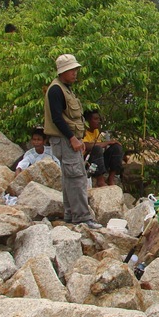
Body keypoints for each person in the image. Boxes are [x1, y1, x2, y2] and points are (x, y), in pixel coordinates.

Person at [43, 54, 101, 229]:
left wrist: (77, 138)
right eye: (72, 70)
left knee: (70, 177)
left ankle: (70, 214)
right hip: (64, 140)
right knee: (76, 177)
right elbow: (57, 119)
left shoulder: (65, 88)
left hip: (69, 140)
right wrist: (72, 138)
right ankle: (83, 218)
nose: (75, 73)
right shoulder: (56, 90)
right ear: (63, 71)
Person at [83, 109, 124, 187]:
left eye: (99, 119)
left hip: (98, 163)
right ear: (87, 121)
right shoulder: (83, 132)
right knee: (97, 149)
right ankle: (100, 180)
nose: (98, 121)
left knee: (116, 147)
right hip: (88, 164)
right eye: (95, 119)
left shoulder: (96, 131)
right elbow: (87, 146)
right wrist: (107, 142)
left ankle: (111, 178)